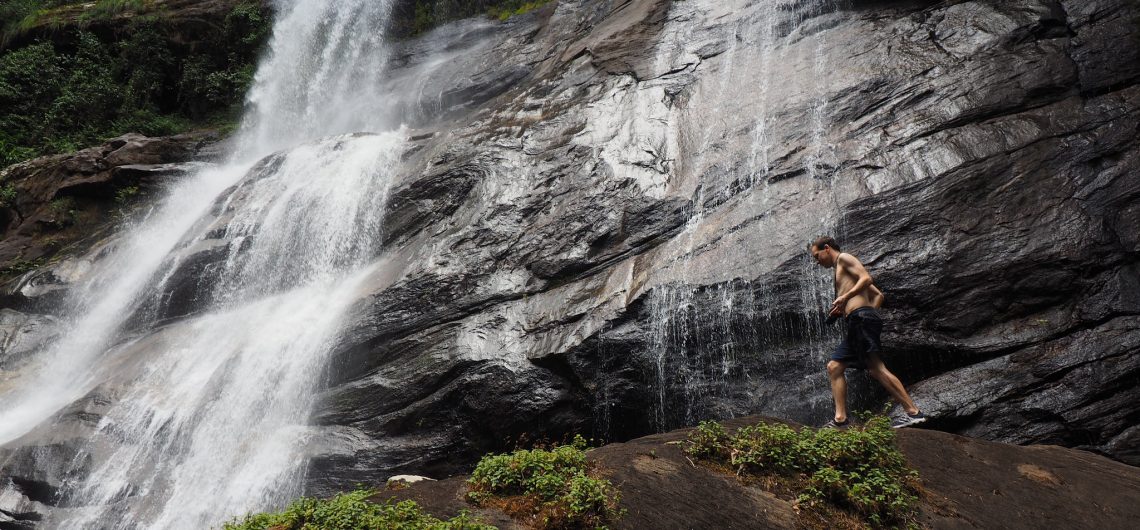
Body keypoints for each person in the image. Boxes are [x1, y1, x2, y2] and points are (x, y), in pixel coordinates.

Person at [808, 236, 927, 429]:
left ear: (827, 248)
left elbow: (866, 278)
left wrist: (850, 301)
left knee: (876, 368)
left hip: (861, 320)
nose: (816, 261)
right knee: (834, 367)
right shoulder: (840, 269)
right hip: (859, 320)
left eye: (816, 255)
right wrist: (855, 309)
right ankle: (840, 419)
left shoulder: (845, 258)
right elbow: (878, 295)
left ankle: (914, 412)